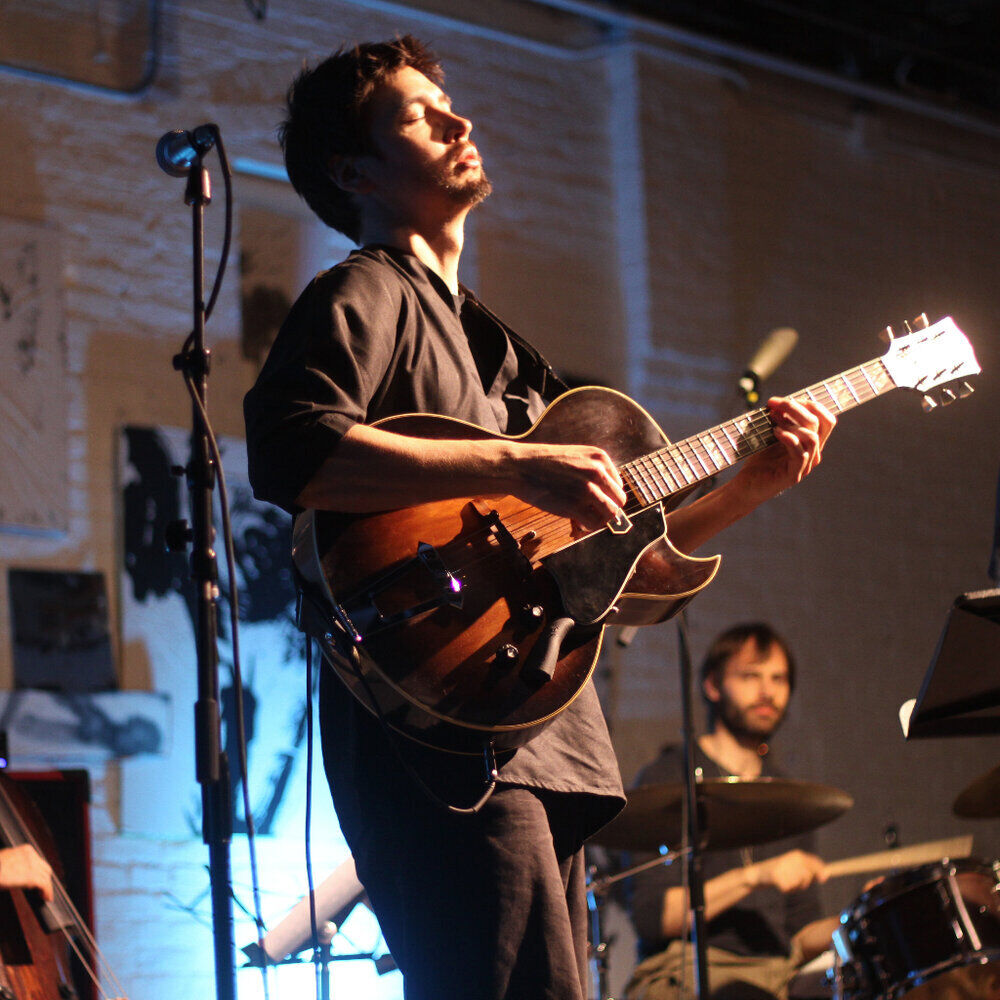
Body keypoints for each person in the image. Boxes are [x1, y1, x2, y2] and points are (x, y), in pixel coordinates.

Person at [243, 37, 836, 1000]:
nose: (459, 120)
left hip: (537, 733)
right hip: (440, 739)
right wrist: (523, 462)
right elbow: (291, 450)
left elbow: (625, 579)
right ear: (354, 170)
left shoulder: (503, 358)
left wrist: (756, 482)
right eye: (418, 114)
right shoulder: (363, 292)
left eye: (451, 102)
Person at [625, 623, 840, 1000]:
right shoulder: (668, 778)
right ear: (712, 686)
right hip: (689, 968)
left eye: (778, 678)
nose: (767, 691)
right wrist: (757, 876)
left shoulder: (790, 797)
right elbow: (653, 917)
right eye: (750, 676)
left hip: (776, 973)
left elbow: (802, 933)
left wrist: (858, 920)